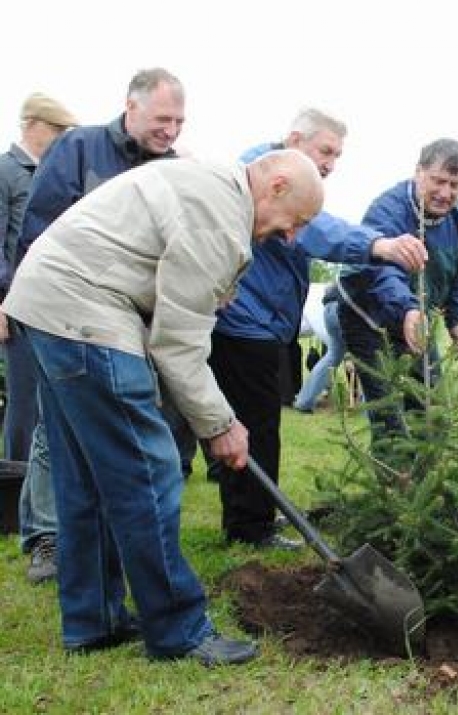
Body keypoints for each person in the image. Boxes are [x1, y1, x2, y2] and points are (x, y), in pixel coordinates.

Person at [0, 148, 325, 664]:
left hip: (46, 304)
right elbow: (178, 345)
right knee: (148, 471)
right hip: (86, 314)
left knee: (85, 479)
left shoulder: (212, 184)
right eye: (295, 222)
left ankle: (94, 620)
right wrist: (220, 424)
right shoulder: (220, 218)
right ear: (277, 185)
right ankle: (179, 630)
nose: (291, 236)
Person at [208, 108, 427, 548]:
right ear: (293, 140)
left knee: (260, 423)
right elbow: (318, 233)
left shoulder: (283, 181)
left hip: (268, 324)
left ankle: (254, 517)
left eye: (337, 156)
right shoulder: (264, 174)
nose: (330, 163)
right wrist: (377, 244)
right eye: (325, 150)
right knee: (256, 424)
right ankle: (250, 528)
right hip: (245, 324)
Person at [9, 68, 186, 584]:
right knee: (53, 425)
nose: (170, 131)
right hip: (63, 312)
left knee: (116, 429)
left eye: (179, 121)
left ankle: (104, 539)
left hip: (129, 322)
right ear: (130, 107)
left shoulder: (172, 170)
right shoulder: (80, 149)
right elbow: (39, 229)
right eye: (161, 118)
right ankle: (46, 537)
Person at [338, 137, 458, 443]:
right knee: (388, 412)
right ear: (419, 172)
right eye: (438, 181)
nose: (445, 193)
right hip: (367, 316)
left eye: (455, 185)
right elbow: (382, 272)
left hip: (417, 318)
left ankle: (432, 485)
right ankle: (395, 484)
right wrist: (408, 308)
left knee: (432, 405)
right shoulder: (387, 211)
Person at [1, 93, 78, 462]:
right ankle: (15, 484)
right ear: (31, 124)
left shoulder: (56, 171)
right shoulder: (6, 171)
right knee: (24, 399)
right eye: (56, 129)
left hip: (53, 300)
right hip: (16, 302)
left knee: (51, 398)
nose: (63, 138)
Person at [292, 279, 346, 413]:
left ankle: (304, 401)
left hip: (329, 305)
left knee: (333, 355)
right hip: (341, 307)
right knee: (365, 355)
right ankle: (372, 405)